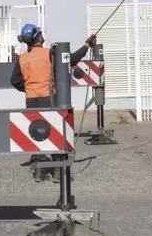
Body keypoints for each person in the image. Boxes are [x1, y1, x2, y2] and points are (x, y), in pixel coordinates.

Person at [10, 24, 96, 181]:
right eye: (41, 33)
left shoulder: (22, 58)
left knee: (37, 133)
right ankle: (57, 171)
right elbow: (72, 59)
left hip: (31, 101)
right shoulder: (49, 53)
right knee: (56, 134)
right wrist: (87, 45)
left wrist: (28, 88)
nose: (43, 36)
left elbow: (14, 80)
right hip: (48, 99)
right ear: (37, 37)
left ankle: (38, 171)